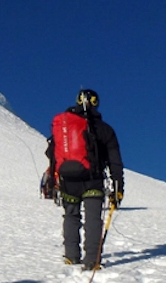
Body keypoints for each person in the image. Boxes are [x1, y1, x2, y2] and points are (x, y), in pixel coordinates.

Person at [45, 89, 124, 270]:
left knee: (71, 216)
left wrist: (53, 179)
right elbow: (115, 161)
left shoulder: (64, 127)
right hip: (93, 180)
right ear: (96, 103)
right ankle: (91, 260)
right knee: (93, 219)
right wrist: (118, 187)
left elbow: (51, 153)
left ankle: (71, 256)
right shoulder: (104, 129)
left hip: (68, 180)